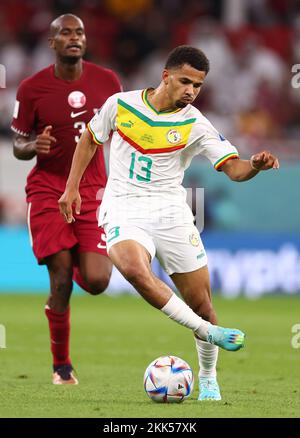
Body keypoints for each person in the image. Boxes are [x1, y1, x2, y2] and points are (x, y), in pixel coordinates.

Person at [59, 45, 279, 400]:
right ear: (166, 77)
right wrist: (72, 189)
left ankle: (208, 377)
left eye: (199, 85)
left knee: (203, 303)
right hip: (123, 207)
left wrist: (254, 164)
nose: (191, 91)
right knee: (132, 267)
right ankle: (206, 332)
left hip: (171, 213)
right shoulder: (121, 104)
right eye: (185, 81)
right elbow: (89, 139)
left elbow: (234, 168)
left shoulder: (196, 124)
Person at [11, 14, 122, 385]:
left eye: (79, 33)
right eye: (65, 33)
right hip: (48, 190)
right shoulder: (31, 88)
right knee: (60, 279)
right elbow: (17, 143)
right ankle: (62, 367)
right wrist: (31, 145)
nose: (74, 38)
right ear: (52, 42)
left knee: (96, 281)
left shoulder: (108, 82)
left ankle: (76, 256)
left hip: (94, 192)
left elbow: (121, 135)